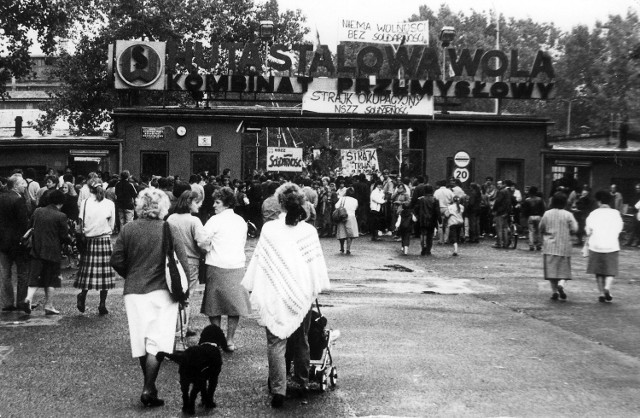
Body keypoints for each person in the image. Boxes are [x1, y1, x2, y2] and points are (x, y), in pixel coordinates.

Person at [241, 183, 330, 408]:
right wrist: (312, 287)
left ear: (279, 202)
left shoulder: (270, 229)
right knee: (301, 340)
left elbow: (260, 262)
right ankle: (301, 384)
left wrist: (254, 286)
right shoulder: (308, 231)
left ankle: (278, 390)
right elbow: (315, 266)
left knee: (275, 343)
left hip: (274, 293)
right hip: (301, 295)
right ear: (301, 203)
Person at [110, 188, 190, 408]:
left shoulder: (128, 229)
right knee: (158, 342)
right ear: (163, 207)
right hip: (163, 291)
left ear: (139, 206)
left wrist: (131, 274)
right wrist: (185, 292)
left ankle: (150, 387)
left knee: (141, 340)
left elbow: (116, 259)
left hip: (134, 292)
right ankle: (148, 387)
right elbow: (182, 263)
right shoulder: (169, 229)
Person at [200, 187, 250, 352]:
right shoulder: (241, 221)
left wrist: (207, 248)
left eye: (217, 202)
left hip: (216, 264)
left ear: (226, 204)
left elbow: (202, 241)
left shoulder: (214, 220)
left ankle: (218, 336)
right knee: (234, 306)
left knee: (214, 305)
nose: (214, 205)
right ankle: (229, 340)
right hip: (236, 265)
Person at [21, 189, 71, 315]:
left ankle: (28, 298)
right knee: (51, 280)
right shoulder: (61, 216)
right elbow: (64, 236)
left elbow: (30, 226)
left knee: (35, 277)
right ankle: (49, 305)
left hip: (36, 250)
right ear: (61, 202)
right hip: (52, 252)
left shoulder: (38, 211)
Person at [74, 178, 117, 315]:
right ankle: (102, 304)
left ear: (89, 189)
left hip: (89, 240)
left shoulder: (85, 203)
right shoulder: (110, 203)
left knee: (88, 272)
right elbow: (112, 224)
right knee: (105, 274)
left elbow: (81, 222)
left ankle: (83, 295)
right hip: (104, 239)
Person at [167, 190, 207, 338]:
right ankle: (181, 331)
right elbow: (202, 243)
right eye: (197, 202)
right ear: (190, 203)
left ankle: (176, 326)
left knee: (174, 295)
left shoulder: (171, 218)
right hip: (191, 262)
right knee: (186, 297)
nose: (199, 205)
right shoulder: (194, 221)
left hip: (173, 261)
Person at [585, 190, 624, 303]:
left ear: (599, 201)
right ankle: (607, 287)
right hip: (611, 245)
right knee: (610, 270)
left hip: (596, 245)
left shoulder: (593, 214)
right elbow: (619, 228)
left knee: (599, 271)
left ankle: (601, 293)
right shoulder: (615, 213)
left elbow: (588, 230)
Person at [539, 192, 578, 301]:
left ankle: (554, 291)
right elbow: (575, 228)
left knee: (551, 272)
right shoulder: (568, 214)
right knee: (564, 270)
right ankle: (561, 283)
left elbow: (541, 227)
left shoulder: (547, 214)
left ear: (553, 201)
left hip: (550, 246)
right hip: (564, 247)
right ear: (565, 202)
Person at [0, 175, 30, 311]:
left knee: (5, 274)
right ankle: (21, 301)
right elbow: (24, 223)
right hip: (18, 243)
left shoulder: (1, 197)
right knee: (22, 273)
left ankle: (7, 303)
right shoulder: (19, 200)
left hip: (2, 242)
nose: (25, 185)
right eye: (23, 183)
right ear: (16, 185)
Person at [521, 186, 546, 251]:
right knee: (539, 231)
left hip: (530, 216)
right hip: (539, 216)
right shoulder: (540, 199)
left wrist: (525, 216)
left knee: (531, 231)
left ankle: (531, 245)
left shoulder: (527, 200)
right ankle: (538, 245)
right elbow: (543, 209)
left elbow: (525, 210)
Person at [335, 187, 359, 255]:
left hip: (342, 216)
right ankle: (348, 249)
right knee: (350, 234)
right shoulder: (355, 200)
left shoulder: (342, 198)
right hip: (351, 216)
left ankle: (342, 247)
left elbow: (336, 206)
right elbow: (356, 208)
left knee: (341, 232)